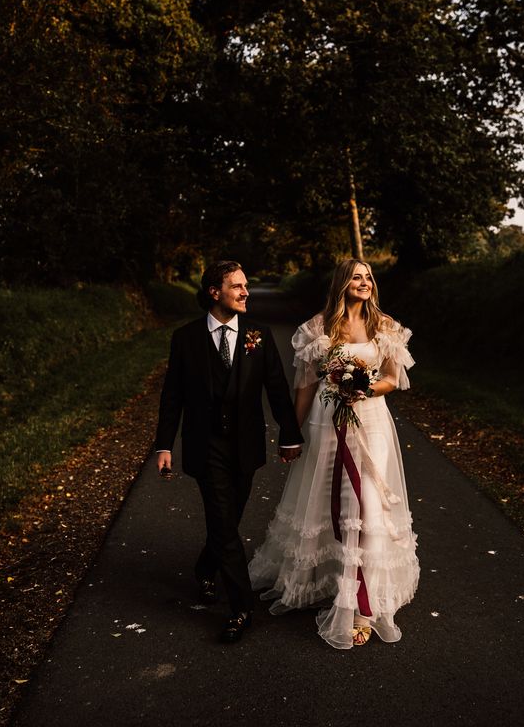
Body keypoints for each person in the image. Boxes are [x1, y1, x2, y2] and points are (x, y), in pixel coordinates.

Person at [249, 258, 419, 649]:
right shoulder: (318, 328)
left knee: (367, 506)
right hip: (326, 423)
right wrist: (291, 433)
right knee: (328, 503)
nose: (365, 282)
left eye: (369, 277)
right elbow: (306, 387)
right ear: (343, 283)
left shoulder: (385, 327)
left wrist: (364, 387)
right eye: (357, 277)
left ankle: (360, 605)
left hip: (371, 423)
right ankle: (324, 580)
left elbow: (392, 379)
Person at [154, 260, 303, 643]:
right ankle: (240, 608)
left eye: (246, 285)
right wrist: (164, 444)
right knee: (222, 519)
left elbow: (276, 389)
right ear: (214, 292)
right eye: (237, 286)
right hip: (205, 446)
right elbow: (173, 394)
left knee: (228, 519)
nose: (245, 292)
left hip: (245, 445)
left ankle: (206, 568)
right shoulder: (186, 338)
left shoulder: (258, 335)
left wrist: (290, 434)